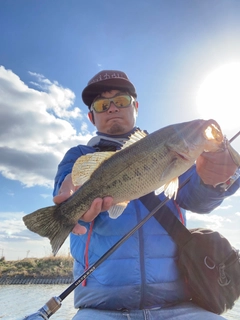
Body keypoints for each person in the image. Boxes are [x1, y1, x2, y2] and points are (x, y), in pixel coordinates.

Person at [53, 70, 240, 320]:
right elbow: (65, 190)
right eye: (101, 104)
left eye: (121, 100)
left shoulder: (171, 152)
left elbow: (197, 200)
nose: (111, 108)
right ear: (91, 116)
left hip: (179, 304)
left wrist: (215, 182)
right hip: (100, 308)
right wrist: (70, 202)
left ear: (136, 106)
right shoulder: (78, 156)